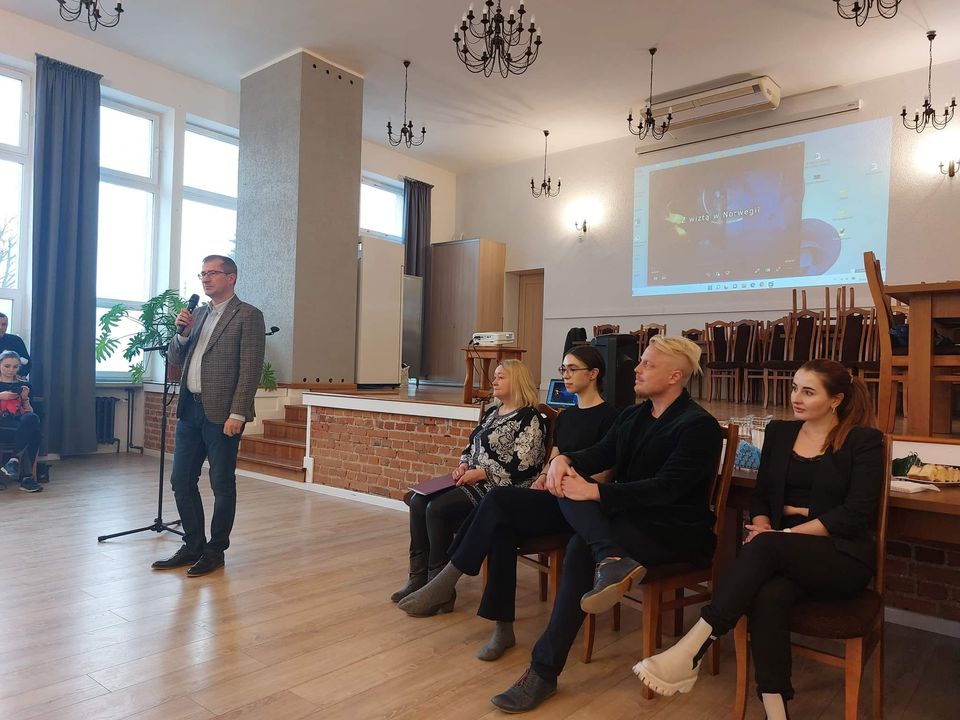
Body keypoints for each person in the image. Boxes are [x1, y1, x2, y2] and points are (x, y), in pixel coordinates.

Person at [634, 359, 882, 720]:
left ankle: (694, 646)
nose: (795, 397)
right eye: (794, 387)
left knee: (765, 546)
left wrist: (783, 534)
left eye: (808, 392)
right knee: (768, 596)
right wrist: (767, 524)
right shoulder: (780, 433)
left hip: (842, 557)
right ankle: (775, 710)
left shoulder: (863, 441)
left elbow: (855, 514)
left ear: (836, 400)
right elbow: (762, 496)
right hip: (783, 554)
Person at [488, 336, 723, 713]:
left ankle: (543, 671)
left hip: (674, 529)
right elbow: (601, 452)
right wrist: (564, 460)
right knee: (567, 487)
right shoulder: (633, 416)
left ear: (675, 376)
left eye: (647, 364)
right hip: (629, 519)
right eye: (640, 361)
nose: (636, 369)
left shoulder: (699, 426)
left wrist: (595, 492)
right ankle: (611, 557)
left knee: (581, 541)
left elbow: (666, 489)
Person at [398, 345, 619, 663]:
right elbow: (553, 458)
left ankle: (446, 580)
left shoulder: (611, 417)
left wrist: (561, 482)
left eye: (572, 369)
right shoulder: (567, 416)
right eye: (563, 369)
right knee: (500, 528)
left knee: (497, 498)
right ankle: (503, 629)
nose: (565, 376)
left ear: (594, 374)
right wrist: (543, 477)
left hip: (581, 505)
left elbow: (604, 475)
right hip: (550, 496)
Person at [390, 359, 546, 611]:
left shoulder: (530, 417)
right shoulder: (492, 413)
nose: (494, 381)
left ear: (517, 381)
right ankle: (417, 577)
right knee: (418, 501)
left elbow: (526, 465)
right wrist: (463, 465)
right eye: (495, 376)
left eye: (501, 377)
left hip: (501, 488)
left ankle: (439, 587)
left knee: (437, 508)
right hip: (473, 478)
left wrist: (482, 473)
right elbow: (470, 447)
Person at [152, 255, 265, 577]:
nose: (205, 279)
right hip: (191, 409)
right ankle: (193, 545)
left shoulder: (248, 315)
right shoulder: (198, 314)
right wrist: (182, 333)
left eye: (212, 273)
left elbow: (250, 368)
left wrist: (238, 412)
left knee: (221, 483)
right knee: (181, 480)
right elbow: (175, 357)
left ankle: (215, 551)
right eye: (202, 274)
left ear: (231, 277)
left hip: (223, 413)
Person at [0, 350, 41, 492]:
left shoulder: (24, 385)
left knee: (32, 419)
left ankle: (14, 460)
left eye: (15, 367)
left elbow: (30, 412)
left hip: (18, 425)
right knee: (33, 432)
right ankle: (27, 478)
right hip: (2, 426)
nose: (11, 370)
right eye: (7, 366)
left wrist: (25, 398)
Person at [0, 313, 31, 377]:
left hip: (12, 379)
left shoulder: (15, 340)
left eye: (4, 324)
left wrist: (16, 376)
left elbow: (27, 364)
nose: (0, 327)